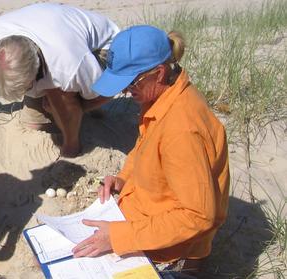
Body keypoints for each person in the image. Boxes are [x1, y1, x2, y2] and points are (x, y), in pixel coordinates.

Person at [71, 25, 230, 278]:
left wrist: (118, 237)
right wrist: (124, 178)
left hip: (171, 251)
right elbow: (144, 148)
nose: (124, 90)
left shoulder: (181, 130)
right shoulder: (162, 96)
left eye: (130, 81)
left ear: (158, 72)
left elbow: (199, 216)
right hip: (146, 219)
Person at [0, 3, 119, 157]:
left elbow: (110, 89)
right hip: (50, 35)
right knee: (35, 125)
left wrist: (80, 109)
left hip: (104, 48)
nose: (27, 93)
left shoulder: (69, 64)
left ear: (36, 67)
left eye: (27, 88)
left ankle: (72, 144)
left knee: (59, 95)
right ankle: (76, 103)